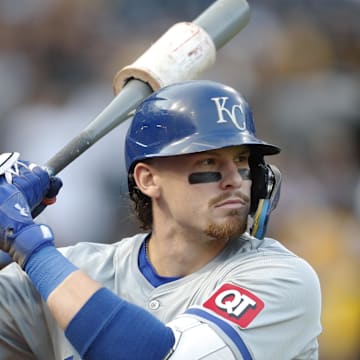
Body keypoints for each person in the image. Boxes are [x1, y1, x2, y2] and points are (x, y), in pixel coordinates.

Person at [0, 80, 322, 359]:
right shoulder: (78, 270)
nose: (234, 179)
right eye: (209, 160)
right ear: (148, 180)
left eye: (241, 161)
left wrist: (29, 244)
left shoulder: (282, 279)